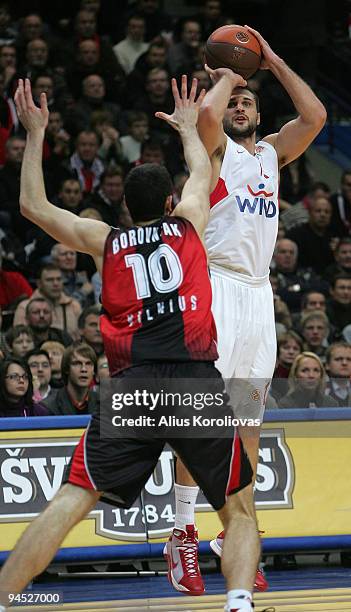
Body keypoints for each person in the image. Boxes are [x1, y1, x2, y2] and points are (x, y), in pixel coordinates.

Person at [0, 77, 261, 612]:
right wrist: (190, 128)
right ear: (169, 201)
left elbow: (32, 205)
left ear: (124, 208)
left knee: (72, 499)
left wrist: (35, 133)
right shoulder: (189, 223)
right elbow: (203, 171)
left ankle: (4, 598)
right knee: (237, 510)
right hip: (193, 381)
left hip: (132, 390)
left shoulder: (106, 241)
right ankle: (238, 603)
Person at [170, 24, 326, 594]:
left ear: (259, 113)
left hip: (259, 295)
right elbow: (205, 119)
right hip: (215, 286)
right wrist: (231, 73)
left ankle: (233, 535)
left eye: (247, 100)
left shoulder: (272, 155)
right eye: (233, 99)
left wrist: (274, 60)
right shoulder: (213, 150)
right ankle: (184, 528)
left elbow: (315, 119)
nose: (238, 105)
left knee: (248, 429)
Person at [44, 343, 98, 415]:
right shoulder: (48, 406)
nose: (84, 369)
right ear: (66, 369)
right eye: (77, 363)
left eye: (88, 364)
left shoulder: (104, 404)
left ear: (94, 371)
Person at [325, 342, 351, 407]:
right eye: (338, 359)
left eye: (349, 359)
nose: (344, 363)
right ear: (327, 365)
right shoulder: (319, 391)